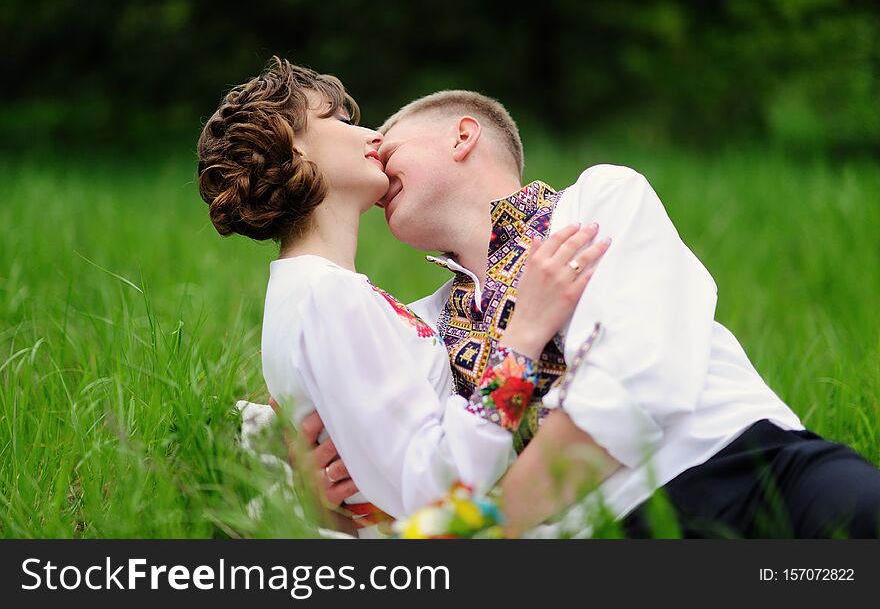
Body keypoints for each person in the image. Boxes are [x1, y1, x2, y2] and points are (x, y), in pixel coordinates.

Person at [308, 89, 880, 538]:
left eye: (391, 148)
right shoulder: (419, 328)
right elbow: (422, 476)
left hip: (747, 464)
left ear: (462, 136)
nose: (378, 170)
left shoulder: (597, 202)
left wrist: (485, 531)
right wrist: (334, 477)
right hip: (603, 535)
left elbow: (637, 380)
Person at [196, 57, 610, 536]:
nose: (375, 138)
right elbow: (437, 485)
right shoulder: (326, 295)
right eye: (340, 120)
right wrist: (522, 339)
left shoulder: (311, 292)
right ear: (291, 142)